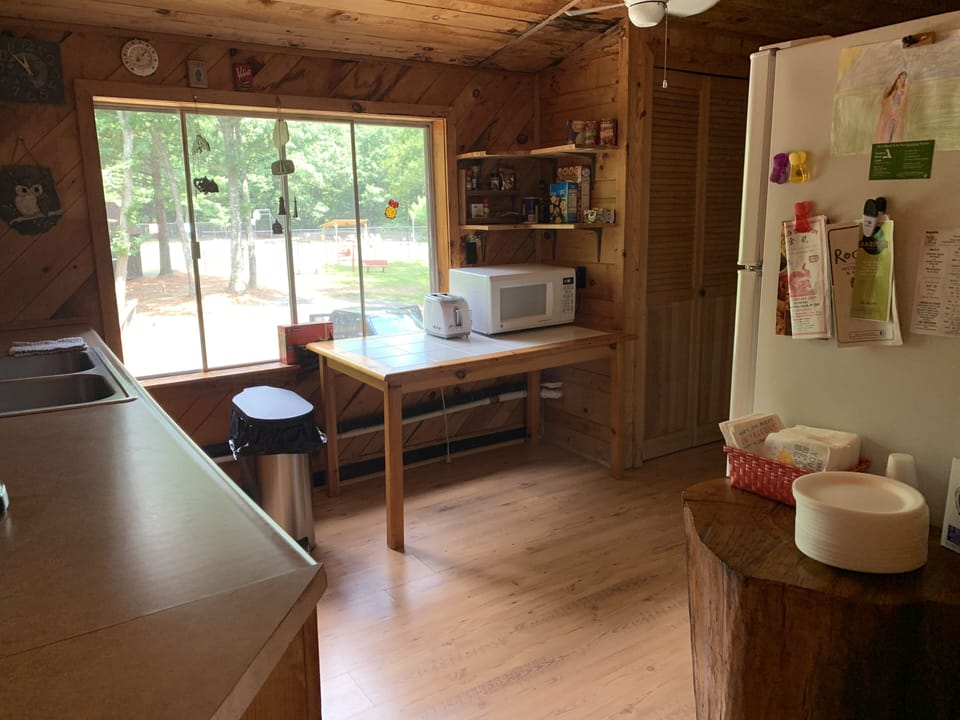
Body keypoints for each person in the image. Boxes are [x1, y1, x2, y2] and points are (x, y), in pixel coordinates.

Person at [874, 71, 908, 143]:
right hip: (890, 112)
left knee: (894, 128)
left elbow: (903, 95)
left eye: (904, 78)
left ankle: (891, 142)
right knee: (887, 128)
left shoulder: (904, 88)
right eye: (901, 77)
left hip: (896, 112)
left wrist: (899, 88)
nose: (902, 79)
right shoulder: (891, 88)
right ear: (898, 78)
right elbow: (885, 100)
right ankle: (887, 142)